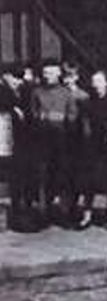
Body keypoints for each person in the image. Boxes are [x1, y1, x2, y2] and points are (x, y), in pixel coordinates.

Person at [32, 60, 80, 226]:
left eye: (52, 73)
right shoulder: (37, 92)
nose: (48, 76)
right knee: (43, 177)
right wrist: (42, 118)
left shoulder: (66, 93)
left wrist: (64, 118)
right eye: (46, 73)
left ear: (59, 74)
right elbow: (33, 114)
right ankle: (43, 214)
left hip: (62, 141)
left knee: (63, 177)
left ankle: (64, 214)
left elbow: (73, 115)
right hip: (42, 141)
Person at [76, 70, 107, 230]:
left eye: (98, 81)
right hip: (92, 146)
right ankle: (86, 216)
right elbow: (84, 122)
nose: (95, 84)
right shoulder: (88, 101)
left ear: (105, 82)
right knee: (88, 183)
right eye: (93, 81)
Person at [2, 65, 38, 231]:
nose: (18, 82)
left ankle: (21, 216)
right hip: (5, 144)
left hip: (21, 145)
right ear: (6, 76)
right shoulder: (4, 94)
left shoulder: (24, 92)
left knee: (20, 182)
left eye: (20, 78)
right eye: (15, 78)